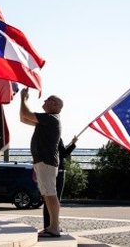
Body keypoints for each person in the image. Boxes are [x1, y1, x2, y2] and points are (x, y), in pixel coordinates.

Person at [19, 87, 63, 238]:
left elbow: (25, 114)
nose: (44, 101)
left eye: (48, 99)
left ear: (56, 105)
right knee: (47, 193)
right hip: (43, 162)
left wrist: (23, 99)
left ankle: (54, 227)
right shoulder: (46, 120)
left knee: (50, 194)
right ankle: (52, 226)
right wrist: (22, 101)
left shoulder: (51, 118)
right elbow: (23, 118)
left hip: (46, 161)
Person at [41, 136, 77, 230]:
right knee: (56, 200)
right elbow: (64, 154)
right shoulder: (56, 137)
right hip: (59, 171)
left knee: (48, 199)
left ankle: (47, 225)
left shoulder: (43, 138)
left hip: (47, 170)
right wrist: (73, 144)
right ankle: (54, 225)